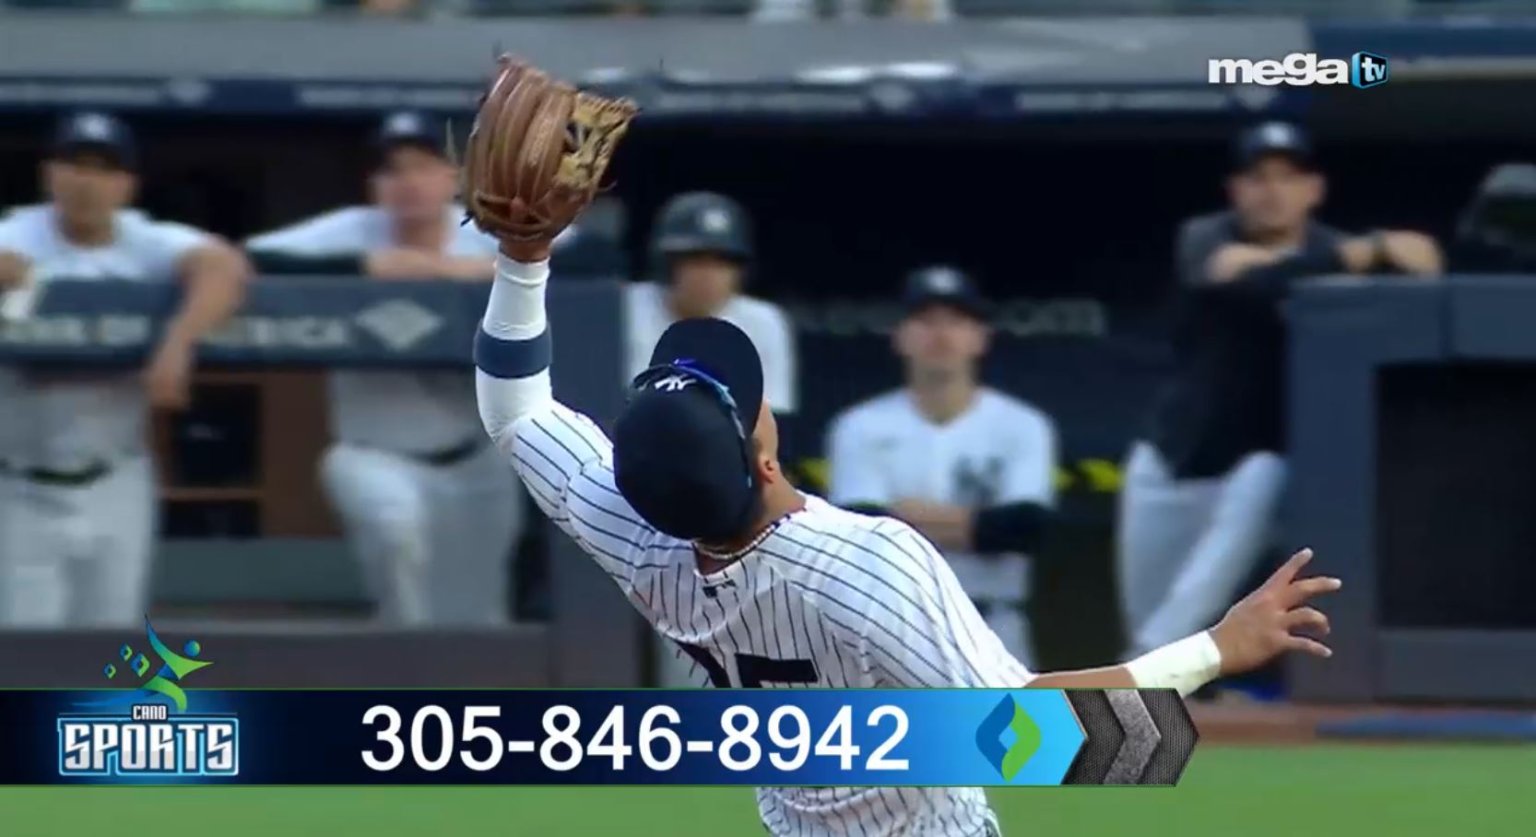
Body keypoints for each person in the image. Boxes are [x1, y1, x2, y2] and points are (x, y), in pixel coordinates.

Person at [473, 220, 1340, 836]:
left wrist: (521, 261)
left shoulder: (637, 534)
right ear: (763, 458)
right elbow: (1041, 737)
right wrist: (1216, 649)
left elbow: (516, 409)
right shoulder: (866, 560)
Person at [1118, 121, 1440, 662]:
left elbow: (1426, 261)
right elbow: (1234, 273)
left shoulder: (1333, 248)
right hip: (1171, 461)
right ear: (1235, 189)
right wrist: (1362, 256)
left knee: (1169, 629)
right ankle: (1153, 683)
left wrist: (1374, 255)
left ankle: (1142, 675)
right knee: (1146, 621)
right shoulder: (1207, 236)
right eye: (1258, 178)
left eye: (1288, 178)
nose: (1273, 191)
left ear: (1314, 189)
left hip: (1257, 464)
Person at [245, 110, 522, 627]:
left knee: (478, 617)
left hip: (475, 458)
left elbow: (593, 257)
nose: (408, 182)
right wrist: (359, 267)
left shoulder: (487, 229)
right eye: (391, 170)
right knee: (397, 540)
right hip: (372, 452)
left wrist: (473, 272)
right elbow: (243, 259)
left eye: (422, 166)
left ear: (455, 177)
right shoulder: (354, 231)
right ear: (374, 184)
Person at [0, 111, 249, 628]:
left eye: (104, 169)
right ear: (49, 174)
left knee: (112, 640)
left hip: (117, 479)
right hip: (19, 485)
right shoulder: (18, 232)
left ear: (127, 185)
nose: (87, 182)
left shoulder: (142, 239)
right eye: (75, 165)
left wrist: (178, 343)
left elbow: (224, 266)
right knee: (25, 648)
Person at [826, 266, 1057, 668]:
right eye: (926, 321)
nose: (941, 334)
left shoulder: (1023, 424)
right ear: (900, 336)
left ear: (980, 337)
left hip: (993, 629)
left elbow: (1022, 528)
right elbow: (858, 536)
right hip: (888, 632)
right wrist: (974, 523)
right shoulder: (858, 426)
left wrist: (900, 519)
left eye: (956, 321)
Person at [627, 190, 799, 684]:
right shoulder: (625, 308)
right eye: (693, 260)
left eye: (722, 262)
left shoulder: (761, 322)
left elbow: (771, 433)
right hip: (631, 488)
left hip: (723, 500)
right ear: (666, 264)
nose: (708, 275)